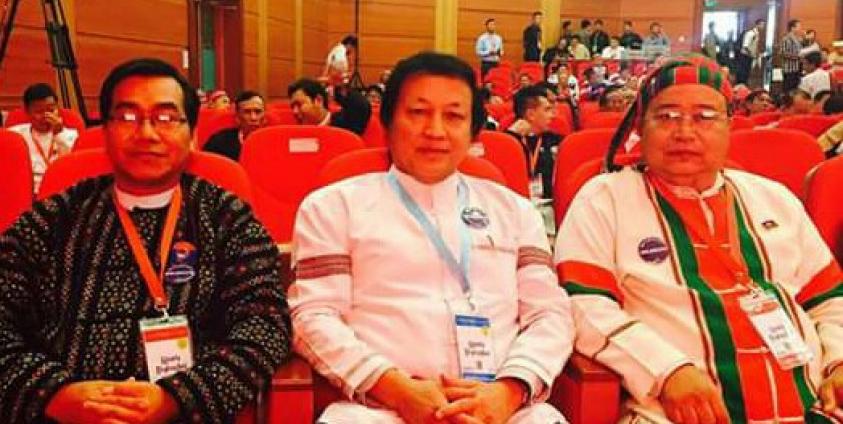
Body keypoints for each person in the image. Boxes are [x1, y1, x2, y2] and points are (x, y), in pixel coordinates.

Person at [0, 58, 291, 423]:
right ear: (104, 131)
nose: (147, 133)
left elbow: (266, 326)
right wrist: (55, 395)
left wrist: (175, 398)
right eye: (127, 117)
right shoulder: (53, 219)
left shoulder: (227, 218)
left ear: (192, 133)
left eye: (166, 118)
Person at [555, 55, 843, 424]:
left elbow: (828, 300)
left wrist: (838, 362)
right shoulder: (605, 198)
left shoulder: (773, 197)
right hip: (673, 412)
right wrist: (666, 370)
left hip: (816, 405)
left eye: (705, 117)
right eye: (666, 117)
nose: (684, 132)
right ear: (640, 127)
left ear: (729, 126)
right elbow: (583, 304)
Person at [289, 51, 573, 423]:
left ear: (473, 130)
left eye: (453, 116)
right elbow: (313, 317)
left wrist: (509, 390)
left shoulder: (515, 211)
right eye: (418, 112)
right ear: (388, 121)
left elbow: (550, 314)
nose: (435, 131)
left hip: (503, 410)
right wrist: (395, 389)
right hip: (379, 409)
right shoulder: (333, 207)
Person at [8, 83, 79, 194]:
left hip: (60, 192)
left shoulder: (71, 135)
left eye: (51, 110)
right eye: (39, 112)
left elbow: (71, 170)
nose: (46, 117)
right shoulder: (14, 135)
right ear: (27, 112)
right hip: (27, 193)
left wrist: (59, 135)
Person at [506, 84, 561, 200]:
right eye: (547, 110)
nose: (552, 115)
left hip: (548, 203)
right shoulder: (508, 143)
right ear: (530, 114)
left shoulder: (556, 141)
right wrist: (511, 135)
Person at [287, 78, 371, 135]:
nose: (295, 111)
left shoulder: (345, 123)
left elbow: (361, 106)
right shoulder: (296, 134)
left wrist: (338, 88)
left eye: (299, 104)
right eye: (292, 106)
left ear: (318, 100)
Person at [202, 90, 267, 161]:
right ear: (237, 117)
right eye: (247, 112)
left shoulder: (273, 142)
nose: (253, 118)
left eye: (258, 112)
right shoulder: (219, 142)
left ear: (264, 116)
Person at [738, 19, 766, 87]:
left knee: (747, 72)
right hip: (745, 56)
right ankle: (742, 86)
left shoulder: (757, 34)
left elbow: (754, 46)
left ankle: (744, 86)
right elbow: (745, 46)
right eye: (762, 24)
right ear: (757, 25)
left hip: (749, 56)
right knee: (743, 73)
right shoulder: (751, 33)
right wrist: (752, 54)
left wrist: (756, 53)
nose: (763, 27)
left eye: (763, 25)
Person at [780, 19, 805, 93]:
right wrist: (798, 56)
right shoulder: (786, 38)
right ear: (792, 28)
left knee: (795, 90)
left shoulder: (798, 39)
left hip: (797, 68)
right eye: (799, 26)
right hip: (789, 69)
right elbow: (783, 53)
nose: (800, 28)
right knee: (788, 90)